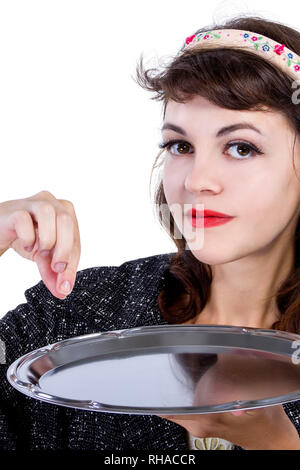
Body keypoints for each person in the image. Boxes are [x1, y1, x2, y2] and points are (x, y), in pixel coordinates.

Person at [1, 13, 300, 451]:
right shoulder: (79, 317)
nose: (197, 180)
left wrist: (277, 445)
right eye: (181, 146)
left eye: (241, 147)